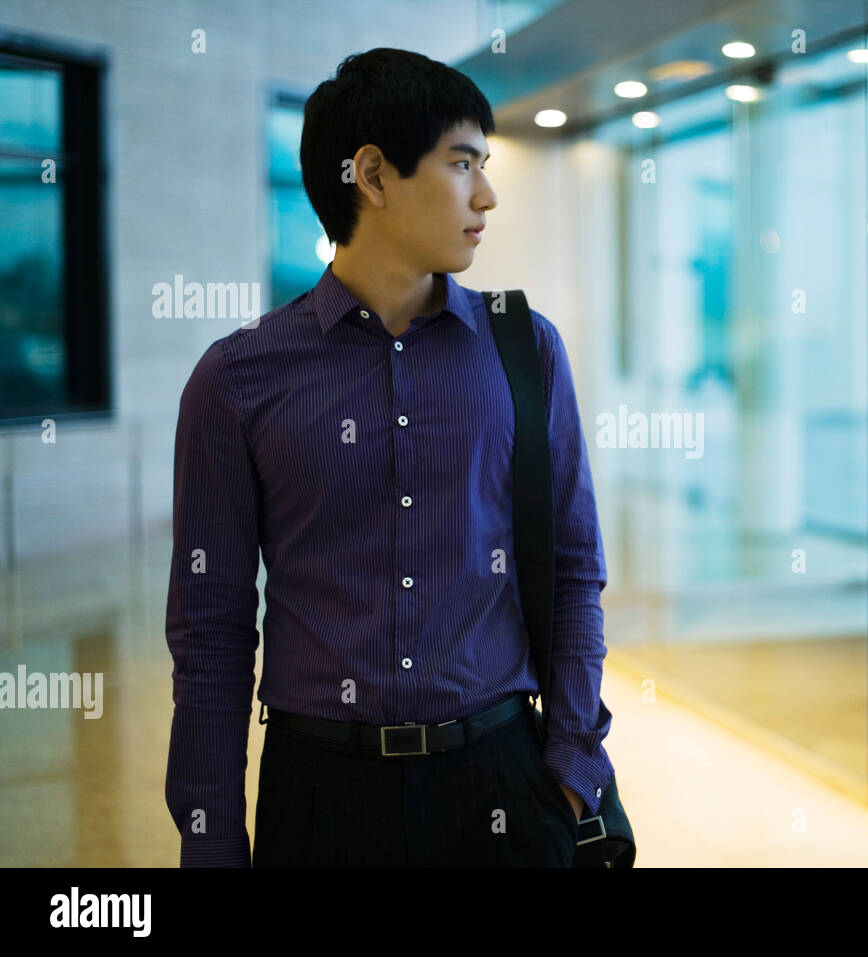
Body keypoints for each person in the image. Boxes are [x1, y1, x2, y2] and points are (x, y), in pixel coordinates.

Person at [163, 48, 615, 867]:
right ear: (371, 175)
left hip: (503, 785)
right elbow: (211, 630)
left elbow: (574, 568)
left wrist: (573, 766)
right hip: (319, 800)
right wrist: (212, 839)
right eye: (462, 163)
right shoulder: (236, 380)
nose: (487, 194)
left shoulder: (525, 349)